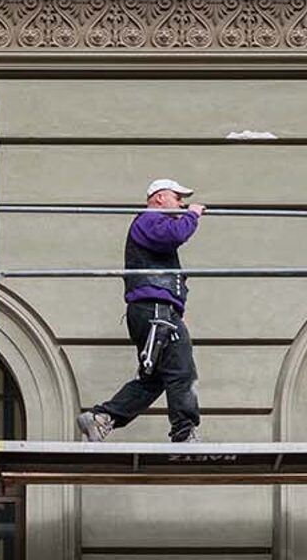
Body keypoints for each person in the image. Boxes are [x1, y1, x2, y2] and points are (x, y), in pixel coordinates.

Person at [76, 178, 205, 443]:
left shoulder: (149, 224)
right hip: (156, 312)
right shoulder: (148, 219)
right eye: (176, 197)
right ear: (159, 198)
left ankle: (103, 418)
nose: (181, 203)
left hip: (156, 312)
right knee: (182, 370)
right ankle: (184, 432)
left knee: (155, 379)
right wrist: (192, 216)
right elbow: (175, 235)